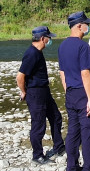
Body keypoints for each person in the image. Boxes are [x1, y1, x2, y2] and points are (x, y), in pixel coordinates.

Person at [16, 26, 65, 165]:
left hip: (44, 91)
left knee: (56, 117)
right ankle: (37, 155)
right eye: (49, 38)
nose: (50, 40)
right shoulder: (31, 53)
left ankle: (59, 146)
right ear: (43, 39)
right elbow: (20, 76)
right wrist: (24, 91)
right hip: (35, 93)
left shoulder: (38, 52)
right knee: (38, 125)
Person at [58, 11, 90, 171]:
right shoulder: (82, 46)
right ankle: (89, 167)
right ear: (79, 26)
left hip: (70, 93)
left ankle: (72, 166)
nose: (88, 27)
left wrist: (67, 90)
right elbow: (85, 73)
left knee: (73, 131)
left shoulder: (62, 46)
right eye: (87, 24)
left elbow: (62, 72)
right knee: (88, 133)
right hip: (83, 93)